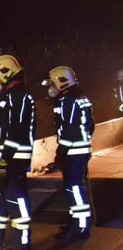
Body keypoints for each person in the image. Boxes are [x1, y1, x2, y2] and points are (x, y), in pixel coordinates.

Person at [0, 55, 36, 250]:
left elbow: (17, 132)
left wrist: (4, 159)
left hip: (15, 159)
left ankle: (21, 241)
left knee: (17, 199)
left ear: (6, 74)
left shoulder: (21, 98)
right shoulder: (4, 98)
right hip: (2, 159)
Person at [42, 66, 95, 240]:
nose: (51, 88)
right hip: (78, 151)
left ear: (62, 83)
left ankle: (80, 227)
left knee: (74, 189)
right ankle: (75, 223)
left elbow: (68, 130)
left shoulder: (69, 101)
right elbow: (90, 126)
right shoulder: (79, 97)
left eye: (52, 84)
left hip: (73, 153)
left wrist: (61, 152)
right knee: (73, 189)